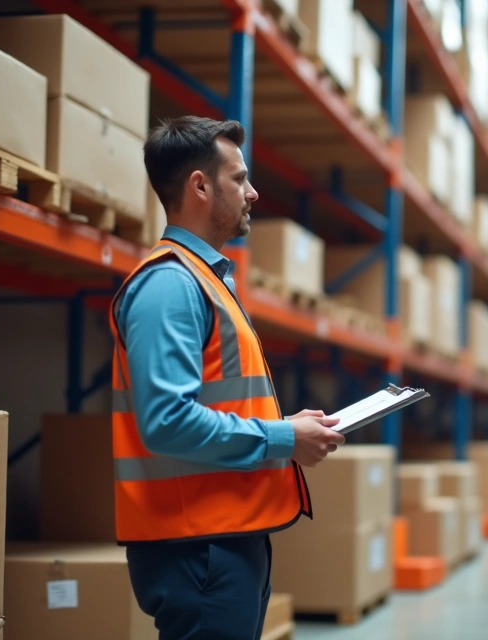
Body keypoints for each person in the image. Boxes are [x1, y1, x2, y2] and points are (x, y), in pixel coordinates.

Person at [107, 116, 347, 639]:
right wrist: (285, 438)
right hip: (197, 547)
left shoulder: (201, 279)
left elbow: (220, 401)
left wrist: (287, 425)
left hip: (223, 536)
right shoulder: (170, 285)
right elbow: (167, 421)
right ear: (199, 186)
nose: (253, 192)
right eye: (239, 179)